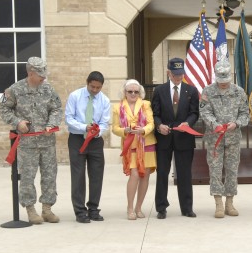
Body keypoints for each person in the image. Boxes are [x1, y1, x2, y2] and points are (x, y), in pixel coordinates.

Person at [0, 57, 62, 224]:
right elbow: (4, 109)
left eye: (44, 73)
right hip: (27, 145)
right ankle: (31, 209)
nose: (43, 77)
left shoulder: (48, 89)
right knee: (27, 177)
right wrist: (17, 122)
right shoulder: (14, 90)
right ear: (30, 73)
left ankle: (47, 209)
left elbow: (57, 108)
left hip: (47, 142)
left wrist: (51, 124)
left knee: (49, 176)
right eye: (40, 74)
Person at [199, 60, 249, 218]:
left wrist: (237, 123)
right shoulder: (208, 92)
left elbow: (245, 113)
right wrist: (214, 124)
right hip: (215, 139)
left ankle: (230, 202)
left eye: (225, 81)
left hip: (233, 138)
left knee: (232, 170)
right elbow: (204, 112)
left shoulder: (239, 91)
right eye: (220, 81)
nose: (223, 84)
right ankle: (218, 203)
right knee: (215, 170)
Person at [152, 58, 200, 219]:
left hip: (184, 137)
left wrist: (188, 123)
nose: (178, 77)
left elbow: (194, 113)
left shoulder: (191, 91)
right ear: (168, 73)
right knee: (162, 173)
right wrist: (159, 126)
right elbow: (155, 114)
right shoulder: (159, 91)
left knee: (185, 174)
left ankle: (187, 208)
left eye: (180, 74)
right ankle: (161, 208)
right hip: (164, 139)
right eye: (175, 74)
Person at [65, 71, 111, 223]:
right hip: (77, 139)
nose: (95, 90)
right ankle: (80, 211)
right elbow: (69, 118)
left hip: (96, 141)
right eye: (92, 87)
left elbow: (105, 122)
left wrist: (97, 132)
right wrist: (85, 127)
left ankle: (93, 208)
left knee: (97, 175)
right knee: (78, 176)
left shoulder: (104, 100)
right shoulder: (75, 96)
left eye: (98, 88)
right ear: (87, 82)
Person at [111, 79, 157, 220]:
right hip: (130, 144)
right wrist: (125, 131)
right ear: (124, 92)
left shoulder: (145, 104)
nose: (132, 94)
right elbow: (114, 128)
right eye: (130, 91)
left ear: (140, 93)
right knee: (135, 175)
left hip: (146, 143)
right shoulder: (117, 107)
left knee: (145, 176)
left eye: (136, 92)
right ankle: (130, 208)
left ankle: (138, 207)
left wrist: (143, 130)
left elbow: (151, 123)